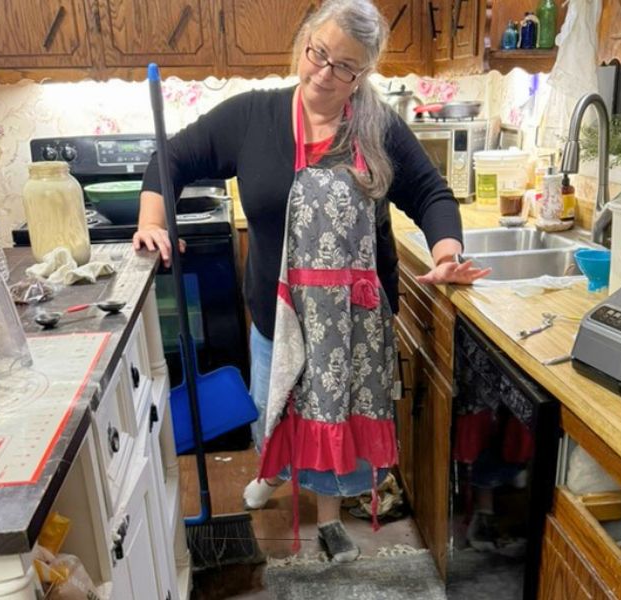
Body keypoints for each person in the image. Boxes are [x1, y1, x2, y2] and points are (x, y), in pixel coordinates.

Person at [134, 0, 490, 563]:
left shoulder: (377, 127)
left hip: (353, 319)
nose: (325, 73)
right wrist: (153, 221)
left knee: (334, 417)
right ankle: (274, 475)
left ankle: (328, 520)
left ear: (364, 73)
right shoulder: (253, 117)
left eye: (345, 66)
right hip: (280, 310)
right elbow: (170, 157)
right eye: (318, 53)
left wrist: (447, 251)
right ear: (303, 44)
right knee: (276, 408)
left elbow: (431, 194)